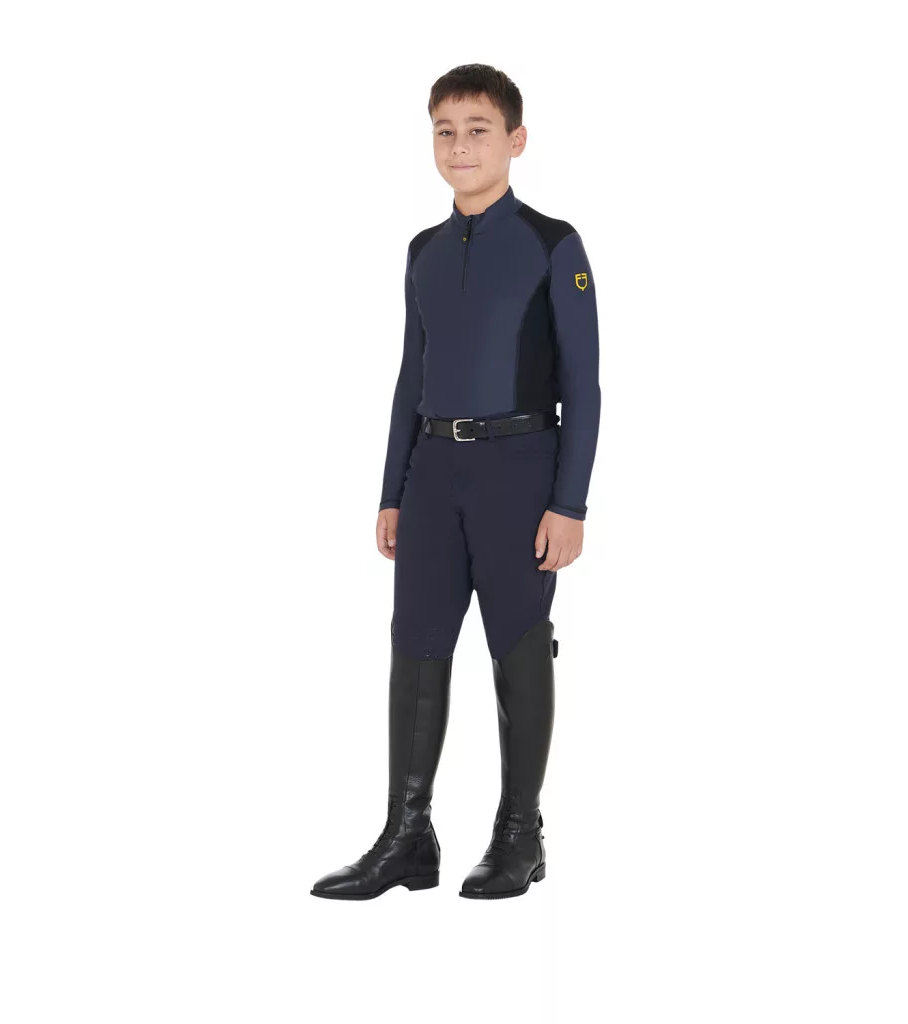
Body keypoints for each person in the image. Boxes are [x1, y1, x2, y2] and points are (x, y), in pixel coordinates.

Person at [310, 63, 601, 900]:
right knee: (416, 643)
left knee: (518, 642)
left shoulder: (553, 244)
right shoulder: (424, 252)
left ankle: (520, 834)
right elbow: (412, 374)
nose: (460, 146)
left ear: (516, 140)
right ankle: (407, 835)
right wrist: (391, 490)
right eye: (445, 131)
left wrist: (570, 503)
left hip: (520, 467)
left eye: (478, 130)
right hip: (434, 473)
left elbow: (583, 383)